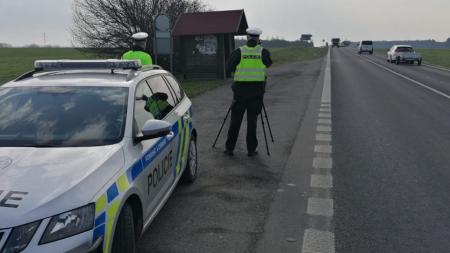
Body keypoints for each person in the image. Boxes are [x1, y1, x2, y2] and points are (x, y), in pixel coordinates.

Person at [224, 27, 272, 157]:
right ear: (258, 38)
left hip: (239, 93)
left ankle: (230, 148)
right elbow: (268, 64)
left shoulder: (238, 52)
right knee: (252, 122)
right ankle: (251, 149)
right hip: (256, 94)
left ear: (247, 37)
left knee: (235, 121)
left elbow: (228, 67)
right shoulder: (263, 52)